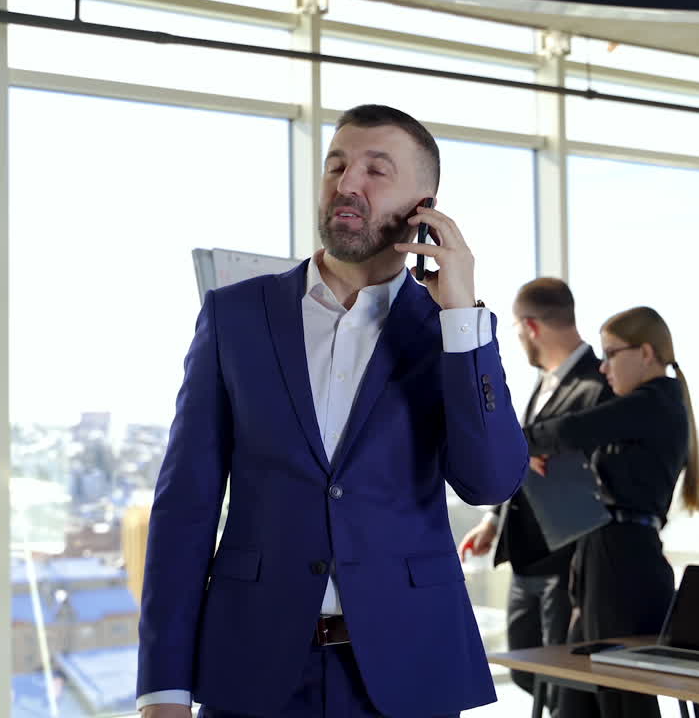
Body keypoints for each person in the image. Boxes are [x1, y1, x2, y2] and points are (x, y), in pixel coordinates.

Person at [136, 104, 528, 718]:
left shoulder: (449, 333)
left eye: (376, 170)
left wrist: (461, 316)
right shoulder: (236, 315)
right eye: (336, 166)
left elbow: (491, 481)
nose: (347, 184)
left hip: (408, 675)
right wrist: (163, 686)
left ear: (424, 205)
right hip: (252, 670)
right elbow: (185, 505)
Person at [523, 306, 699, 718]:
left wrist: (520, 443)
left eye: (610, 354)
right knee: (577, 698)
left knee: (620, 701)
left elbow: (572, 429)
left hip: (623, 564)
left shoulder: (655, 401)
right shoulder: (649, 406)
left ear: (645, 353)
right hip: (605, 555)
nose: (603, 368)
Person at [458, 277, 612, 712]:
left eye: (516, 329)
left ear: (530, 326)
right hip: (526, 556)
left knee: (565, 687)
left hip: (568, 559)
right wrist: (494, 520)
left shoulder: (598, 384)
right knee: (528, 670)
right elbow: (522, 461)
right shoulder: (543, 384)